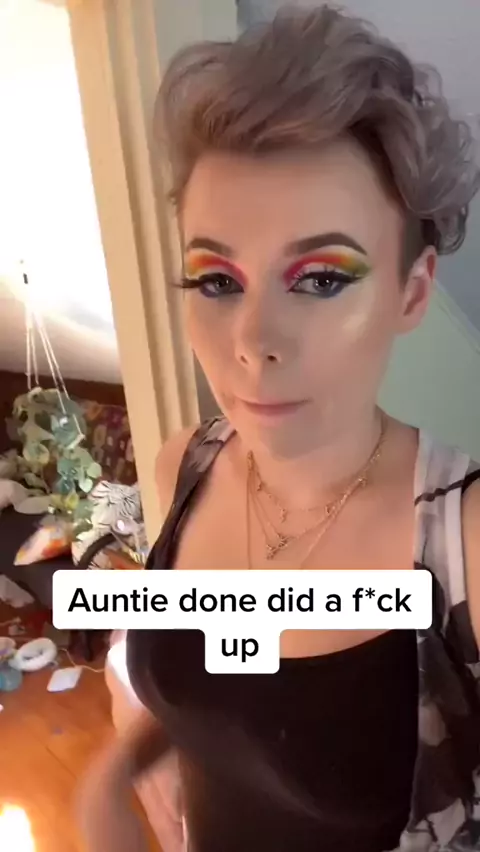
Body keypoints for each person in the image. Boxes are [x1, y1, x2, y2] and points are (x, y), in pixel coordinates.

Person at [76, 5, 480, 852]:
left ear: (411, 292)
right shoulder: (185, 468)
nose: (253, 341)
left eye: (321, 279)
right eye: (217, 281)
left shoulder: (465, 544)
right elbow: (230, 689)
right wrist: (114, 776)